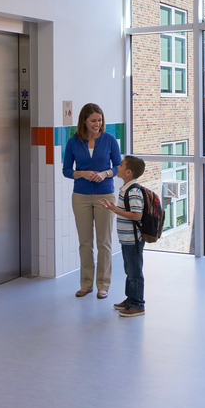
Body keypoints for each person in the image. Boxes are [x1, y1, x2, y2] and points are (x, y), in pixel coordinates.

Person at [62, 103, 121, 299]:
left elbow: (118, 166)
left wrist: (105, 173)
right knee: (85, 243)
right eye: (93, 120)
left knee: (104, 242)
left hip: (105, 195)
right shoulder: (73, 142)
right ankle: (86, 284)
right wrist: (82, 173)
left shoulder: (109, 140)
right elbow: (66, 170)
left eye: (100, 120)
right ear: (84, 121)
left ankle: (103, 285)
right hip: (81, 196)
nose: (97, 124)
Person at [100, 155, 146, 317]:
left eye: (120, 165)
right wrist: (113, 208)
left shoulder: (133, 191)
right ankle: (130, 299)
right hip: (127, 239)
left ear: (128, 172)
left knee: (135, 273)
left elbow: (137, 215)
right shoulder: (126, 188)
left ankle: (137, 305)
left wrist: (115, 210)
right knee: (129, 271)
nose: (117, 167)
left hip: (133, 239)